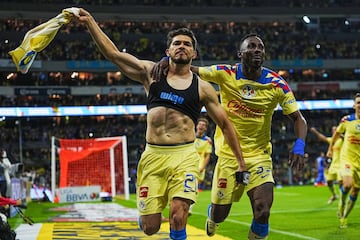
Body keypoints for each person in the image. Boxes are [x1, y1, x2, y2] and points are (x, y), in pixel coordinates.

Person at [75, 9, 249, 240]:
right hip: (153, 156)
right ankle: (146, 216)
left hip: (185, 155)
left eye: (187, 44)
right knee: (150, 227)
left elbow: (226, 125)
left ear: (194, 53)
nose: (182, 46)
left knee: (178, 214)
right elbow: (113, 54)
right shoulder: (151, 74)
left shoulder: (203, 88)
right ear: (168, 51)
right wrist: (90, 22)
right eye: (177, 43)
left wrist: (241, 161)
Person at [152, 33, 307, 239]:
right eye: (251, 47)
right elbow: (189, 69)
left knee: (263, 210)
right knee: (220, 214)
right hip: (227, 156)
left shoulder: (277, 84)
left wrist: (300, 143)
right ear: (240, 54)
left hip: (259, 155)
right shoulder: (225, 73)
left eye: (260, 47)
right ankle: (213, 217)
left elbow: (298, 118)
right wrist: (168, 61)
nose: (257, 50)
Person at [327, 93, 360, 229]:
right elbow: (335, 135)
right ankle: (341, 203)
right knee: (347, 185)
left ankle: (344, 216)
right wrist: (330, 149)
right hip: (347, 159)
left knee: (355, 191)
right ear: (354, 105)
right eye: (358, 102)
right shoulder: (347, 120)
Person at [310, 127, 343, 204]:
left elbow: (346, 138)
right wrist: (315, 132)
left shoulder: (342, 140)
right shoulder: (332, 140)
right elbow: (323, 138)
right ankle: (334, 195)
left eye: (335, 130)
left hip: (342, 164)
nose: (333, 131)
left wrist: (340, 134)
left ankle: (342, 200)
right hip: (334, 165)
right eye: (332, 130)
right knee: (329, 181)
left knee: (341, 182)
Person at [195, 117, 213, 191]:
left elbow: (207, 156)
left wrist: (202, 167)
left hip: (199, 166)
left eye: (203, 125)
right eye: (200, 124)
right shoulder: (190, 137)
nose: (201, 126)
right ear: (196, 126)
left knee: (197, 188)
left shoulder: (207, 140)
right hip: (188, 164)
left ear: (205, 128)